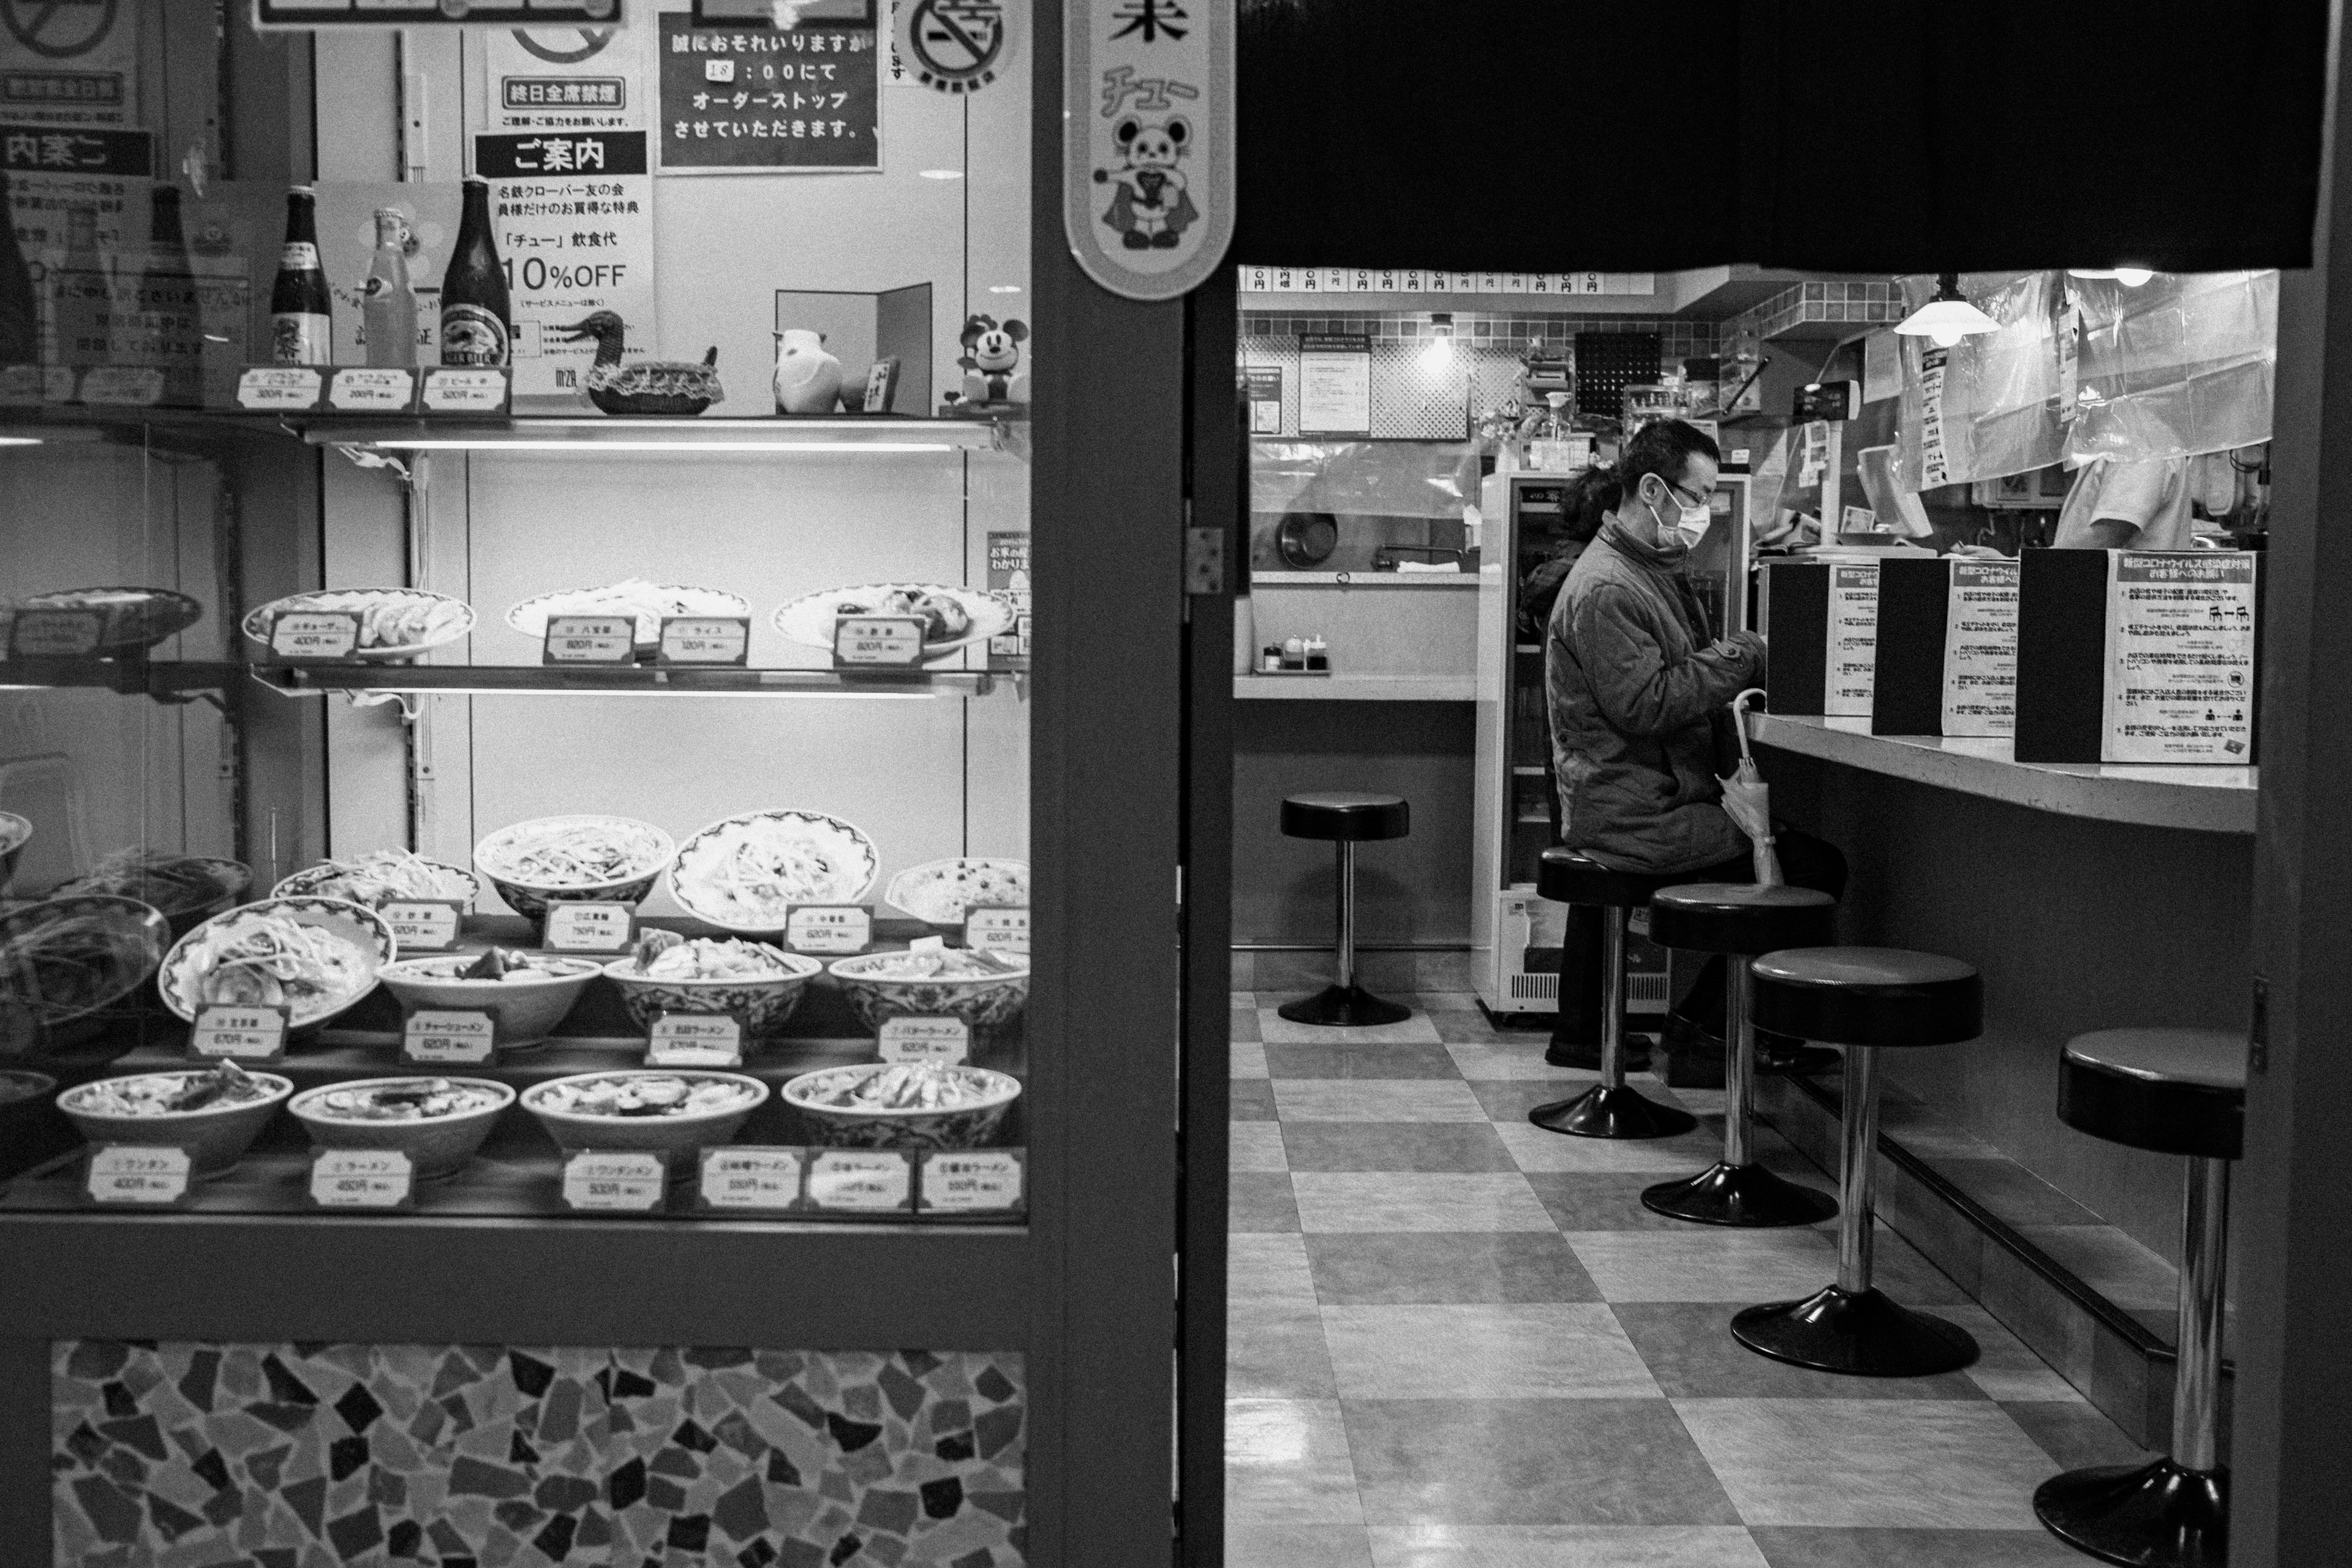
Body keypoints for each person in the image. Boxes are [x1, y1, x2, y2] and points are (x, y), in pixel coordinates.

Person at [1544, 418, 1848, 1085]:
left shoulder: (1643, 568)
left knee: (1794, 857)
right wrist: (1744, 653)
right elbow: (1647, 702)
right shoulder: (1609, 587)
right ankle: (1708, 1032)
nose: (1704, 514)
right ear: (1652, 489)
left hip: (1635, 800)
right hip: (1640, 816)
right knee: (1810, 870)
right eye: (1699, 495)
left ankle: (1699, 1029)